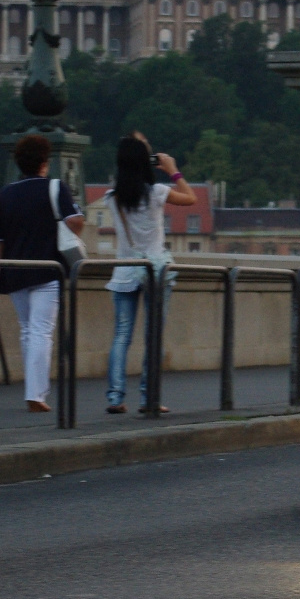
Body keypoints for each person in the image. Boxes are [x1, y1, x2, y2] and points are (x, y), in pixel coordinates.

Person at [0, 135, 84, 413]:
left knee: (27, 330)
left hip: (16, 269)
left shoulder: (6, 193)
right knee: (42, 331)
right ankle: (36, 393)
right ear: (45, 161)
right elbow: (76, 222)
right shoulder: (56, 188)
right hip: (47, 268)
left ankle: (33, 388)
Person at [104, 132, 195, 414]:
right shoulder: (156, 193)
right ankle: (148, 397)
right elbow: (190, 198)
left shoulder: (111, 199)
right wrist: (172, 170)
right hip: (155, 271)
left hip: (124, 270)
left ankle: (115, 396)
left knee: (121, 335)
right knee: (152, 336)